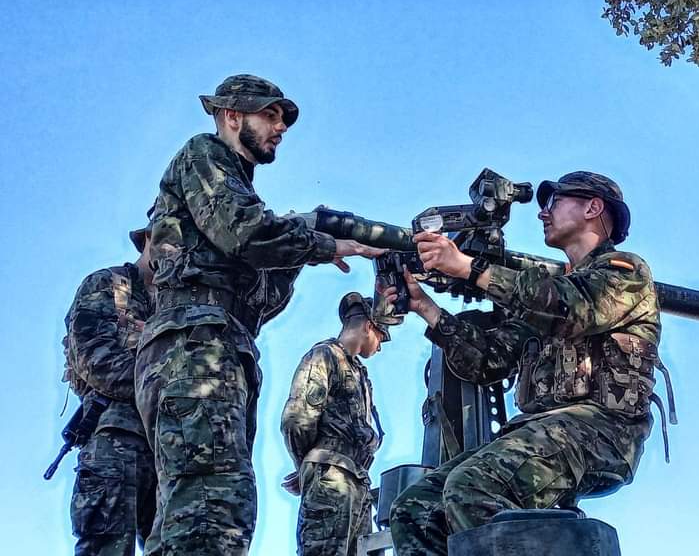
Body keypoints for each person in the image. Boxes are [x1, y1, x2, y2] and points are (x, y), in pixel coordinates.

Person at [133, 74, 384, 555]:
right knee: (212, 512)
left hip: (219, 345)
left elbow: (262, 299)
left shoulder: (236, 189)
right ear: (232, 116)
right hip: (196, 349)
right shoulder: (204, 155)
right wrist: (321, 240)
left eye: (283, 118)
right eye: (269, 115)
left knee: (194, 514)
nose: (280, 126)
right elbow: (246, 233)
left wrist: (302, 247)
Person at [387, 171, 667, 555]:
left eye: (554, 202)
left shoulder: (625, 272)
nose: (542, 214)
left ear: (593, 207)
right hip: (542, 428)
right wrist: (428, 309)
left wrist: (471, 269)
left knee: (472, 485)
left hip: (601, 430)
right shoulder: (540, 298)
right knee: (415, 509)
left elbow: (574, 306)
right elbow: (487, 362)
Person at [63, 222, 157, 555]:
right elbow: (93, 358)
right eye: (166, 238)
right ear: (146, 238)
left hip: (172, 448)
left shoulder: (182, 302)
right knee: (106, 546)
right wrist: (163, 390)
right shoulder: (106, 284)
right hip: (116, 437)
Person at [280, 292, 390, 556]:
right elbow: (297, 419)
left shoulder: (360, 373)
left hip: (357, 478)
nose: (381, 346)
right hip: (332, 476)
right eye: (382, 336)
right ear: (368, 326)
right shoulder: (324, 356)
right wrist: (308, 464)